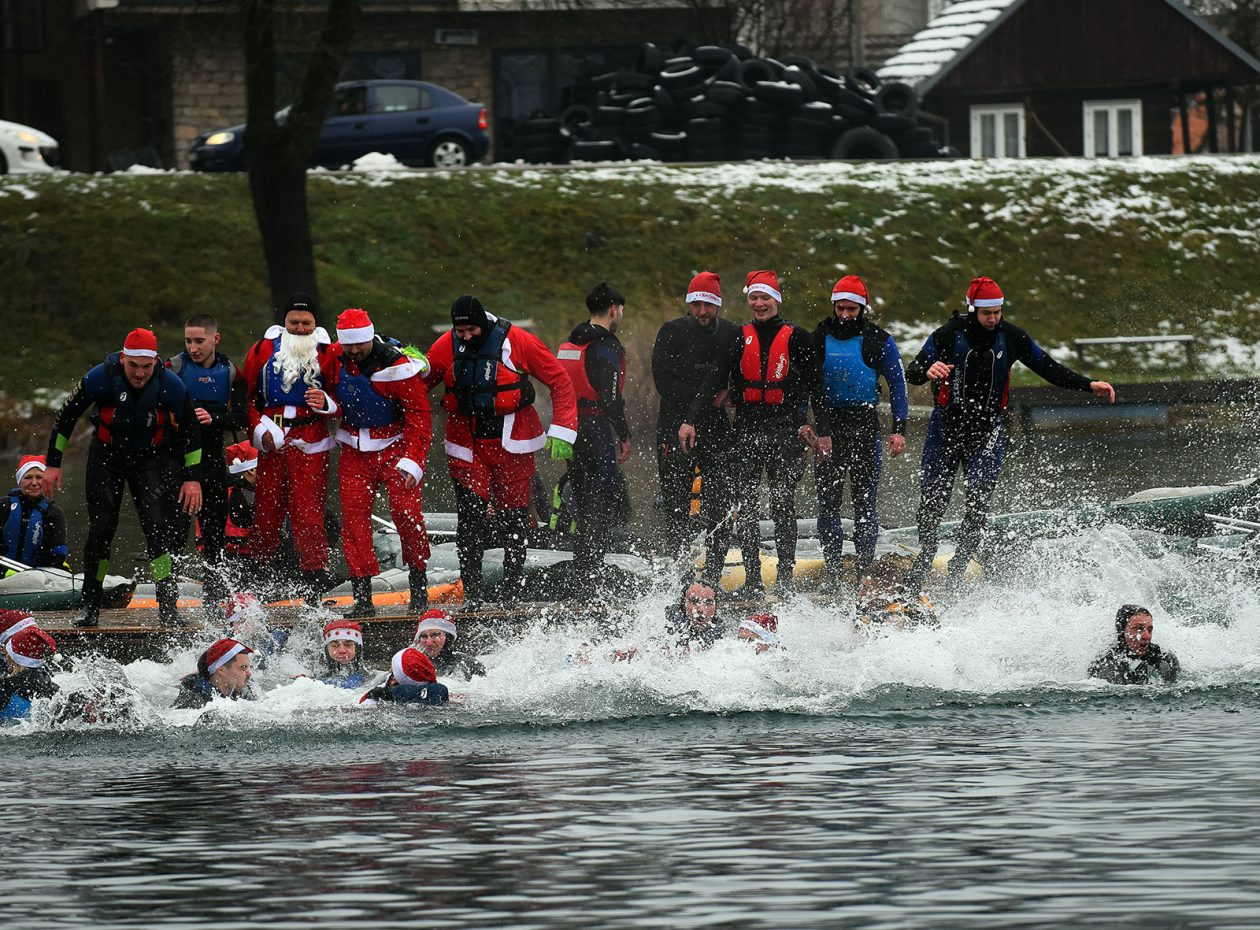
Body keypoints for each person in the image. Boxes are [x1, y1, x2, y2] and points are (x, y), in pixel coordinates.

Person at [903, 277, 1116, 589]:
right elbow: (912, 371)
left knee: (978, 503)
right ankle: (925, 559)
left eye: (997, 312)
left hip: (986, 431)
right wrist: (927, 371)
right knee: (933, 500)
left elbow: (1048, 367)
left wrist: (1088, 384)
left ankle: (958, 568)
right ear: (973, 310)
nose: (993, 319)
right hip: (946, 427)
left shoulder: (1012, 336)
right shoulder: (948, 334)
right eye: (987, 313)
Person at [43, 328, 203, 627]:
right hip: (107, 458)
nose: (140, 373)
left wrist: (192, 478)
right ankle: (90, 604)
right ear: (123, 359)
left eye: (146, 366)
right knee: (101, 529)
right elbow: (65, 417)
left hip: (149, 460)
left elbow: (191, 429)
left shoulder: (170, 383)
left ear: (155, 361)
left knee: (158, 532)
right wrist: (53, 464)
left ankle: (168, 606)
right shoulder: (100, 377)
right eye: (133, 366)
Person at [424, 295, 578, 605]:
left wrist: (563, 428)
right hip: (467, 446)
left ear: (482, 323)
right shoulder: (446, 345)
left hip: (513, 445)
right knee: (470, 517)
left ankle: (512, 591)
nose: (466, 336)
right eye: (460, 331)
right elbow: (418, 383)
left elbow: (559, 380)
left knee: (515, 519)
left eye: (471, 330)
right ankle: (473, 596)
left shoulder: (519, 342)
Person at [680, 270, 815, 598]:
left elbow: (817, 385)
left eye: (765, 298)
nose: (759, 304)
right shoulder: (738, 337)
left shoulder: (798, 336)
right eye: (754, 298)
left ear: (776, 300)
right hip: (747, 431)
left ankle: (784, 580)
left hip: (785, 433)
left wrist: (821, 430)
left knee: (783, 505)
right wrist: (690, 420)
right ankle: (753, 580)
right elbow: (713, 380)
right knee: (748, 510)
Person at [326, 308, 432, 617]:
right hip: (354, 451)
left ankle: (419, 589)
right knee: (354, 522)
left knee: (407, 515)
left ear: (370, 337)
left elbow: (419, 416)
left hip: (396, 448)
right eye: (348, 344)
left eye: (359, 343)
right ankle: (363, 600)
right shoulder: (333, 357)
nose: (354, 350)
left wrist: (414, 459)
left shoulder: (397, 366)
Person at [810, 275, 909, 584]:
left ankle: (864, 572)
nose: (844, 315)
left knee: (864, 502)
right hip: (829, 428)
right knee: (828, 503)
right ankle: (833, 574)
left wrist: (899, 429)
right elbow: (804, 384)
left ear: (862, 309)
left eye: (851, 309)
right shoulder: (819, 337)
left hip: (865, 427)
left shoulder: (879, 340)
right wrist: (802, 422)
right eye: (839, 308)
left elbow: (898, 386)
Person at [241, 293, 340, 596]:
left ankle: (314, 573)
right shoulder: (261, 350)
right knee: (267, 508)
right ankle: (259, 570)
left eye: (306, 323)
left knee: (308, 511)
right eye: (293, 322)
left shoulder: (329, 354)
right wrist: (259, 429)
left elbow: (344, 397)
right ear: (284, 323)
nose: (299, 328)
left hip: (311, 443)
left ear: (315, 324)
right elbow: (246, 398)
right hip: (272, 442)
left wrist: (327, 403)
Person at [652, 271, 739, 562]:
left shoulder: (730, 333)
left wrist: (733, 394)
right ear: (689, 303)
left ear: (718, 304)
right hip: (674, 425)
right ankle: (680, 572)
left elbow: (739, 376)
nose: (702, 311)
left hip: (715, 427)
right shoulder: (671, 332)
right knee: (676, 504)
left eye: (709, 304)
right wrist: (708, 398)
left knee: (720, 503)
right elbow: (664, 384)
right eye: (696, 304)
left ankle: (713, 572)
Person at [165, 313, 247, 609]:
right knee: (171, 536)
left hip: (212, 463)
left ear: (216, 339)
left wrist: (214, 419)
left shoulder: (232, 373)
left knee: (214, 536)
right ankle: (166, 600)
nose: (193, 348)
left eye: (199, 341)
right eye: (188, 341)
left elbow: (242, 418)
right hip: (177, 464)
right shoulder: (172, 369)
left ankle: (215, 599)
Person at [556, 283, 631, 587]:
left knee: (583, 494)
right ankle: (593, 568)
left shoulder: (572, 341)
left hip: (569, 427)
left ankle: (583, 563)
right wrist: (623, 433)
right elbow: (611, 398)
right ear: (614, 310)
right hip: (595, 428)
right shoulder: (606, 346)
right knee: (604, 493)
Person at [3, 455, 69, 571]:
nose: (34, 483)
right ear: (19, 482)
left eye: (39, 477)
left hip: (40, 576)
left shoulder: (55, 513)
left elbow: (59, 554)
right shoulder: (3, 506)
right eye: (28, 477)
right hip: (4, 572)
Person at [1089, 604, 1180, 685]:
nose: (1147, 636)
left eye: (1149, 630)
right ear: (1121, 631)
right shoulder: (1106, 668)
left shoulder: (1165, 658)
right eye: (1139, 629)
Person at [855, 556, 939, 630]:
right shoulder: (868, 603)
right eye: (862, 586)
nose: (861, 592)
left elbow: (895, 621)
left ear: (887, 590)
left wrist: (870, 619)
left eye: (868, 588)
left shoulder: (904, 612)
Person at [173, 637, 255, 709]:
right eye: (243, 667)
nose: (249, 673)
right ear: (221, 670)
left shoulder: (242, 694)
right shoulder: (195, 702)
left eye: (248, 667)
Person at [0, 625, 59, 720]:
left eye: (7, 653)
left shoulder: (8, 685)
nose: (5, 657)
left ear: (13, 659)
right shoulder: (45, 679)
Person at [359, 646, 450, 706]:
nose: (389, 670)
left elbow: (438, 691)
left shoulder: (381, 696)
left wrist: (389, 694)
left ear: (395, 679)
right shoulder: (435, 690)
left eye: (392, 669)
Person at [413, 608, 485, 680]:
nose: (429, 642)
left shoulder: (469, 664)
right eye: (424, 636)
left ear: (448, 637)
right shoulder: (413, 665)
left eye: (435, 635)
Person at [665, 579, 725, 653]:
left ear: (715, 607)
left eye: (708, 603)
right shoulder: (668, 624)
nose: (700, 609)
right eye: (694, 601)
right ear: (683, 605)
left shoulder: (720, 633)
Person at [318, 619, 373, 689]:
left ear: (357, 648)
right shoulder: (317, 681)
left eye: (348, 645)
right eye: (335, 645)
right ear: (327, 650)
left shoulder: (370, 679)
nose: (342, 651)